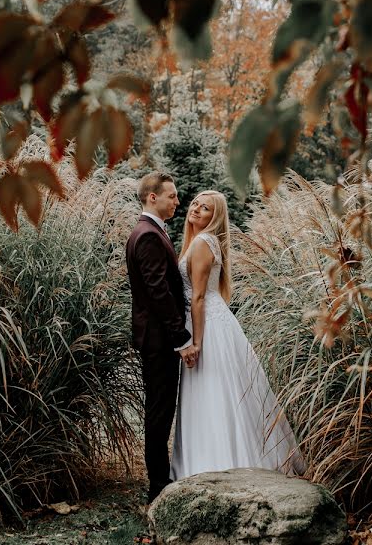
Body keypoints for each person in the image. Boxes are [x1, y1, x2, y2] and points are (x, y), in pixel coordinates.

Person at [170, 190, 306, 480]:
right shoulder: (197, 241)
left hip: (206, 325)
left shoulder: (204, 242)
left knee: (214, 390)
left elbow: (198, 298)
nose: (196, 209)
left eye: (205, 208)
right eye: (195, 203)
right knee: (213, 391)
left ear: (214, 217)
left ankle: (219, 461)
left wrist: (195, 342)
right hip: (205, 321)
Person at [125, 172, 198, 504]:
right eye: (172, 195)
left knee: (160, 409)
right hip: (158, 339)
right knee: (159, 411)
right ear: (152, 197)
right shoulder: (149, 236)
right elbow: (158, 293)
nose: (178, 201)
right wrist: (181, 338)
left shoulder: (149, 231)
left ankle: (160, 479)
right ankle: (158, 486)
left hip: (154, 337)